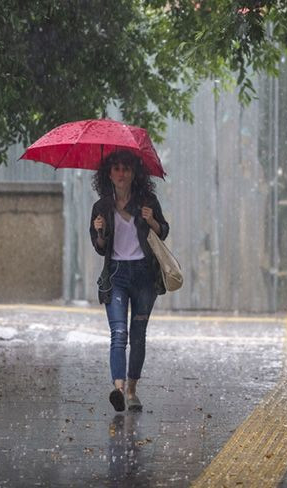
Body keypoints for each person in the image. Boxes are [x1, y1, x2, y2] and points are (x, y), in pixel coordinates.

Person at [90, 150, 170, 412]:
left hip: (145, 276)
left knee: (137, 335)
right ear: (108, 174)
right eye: (116, 169)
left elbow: (164, 232)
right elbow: (100, 247)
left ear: (135, 173)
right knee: (119, 333)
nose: (121, 173)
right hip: (116, 275)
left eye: (126, 168)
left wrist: (152, 221)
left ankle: (132, 389)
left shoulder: (146, 201)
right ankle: (119, 389)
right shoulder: (101, 207)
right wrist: (100, 231)